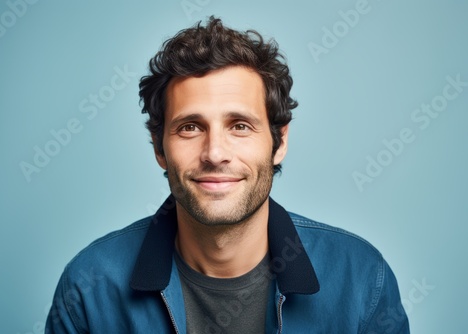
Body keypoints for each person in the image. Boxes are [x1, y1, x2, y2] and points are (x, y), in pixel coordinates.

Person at [46, 17, 409, 333]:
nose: (215, 153)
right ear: (159, 148)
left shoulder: (362, 279)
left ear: (279, 141)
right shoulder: (89, 287)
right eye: (189, 127)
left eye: (239, 126)